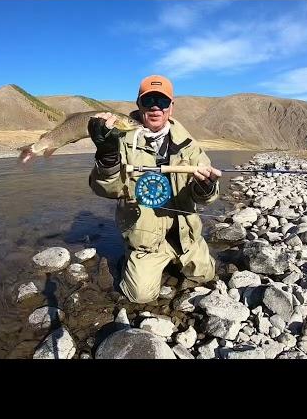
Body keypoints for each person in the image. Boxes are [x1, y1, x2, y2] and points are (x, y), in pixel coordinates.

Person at [88, 74, 222, 304]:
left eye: (162, 101)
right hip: (146, 242)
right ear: (139, 104)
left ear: (172, 106)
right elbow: (106, 189)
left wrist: (206, 185)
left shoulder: (189, 145)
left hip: (185, 237)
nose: (156, 107)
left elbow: (206, 199)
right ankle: (128, 260)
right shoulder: (118, 140)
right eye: (149, 100)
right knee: (139, 296)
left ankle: (183, 260)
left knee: (206, 276)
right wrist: (108, 158)